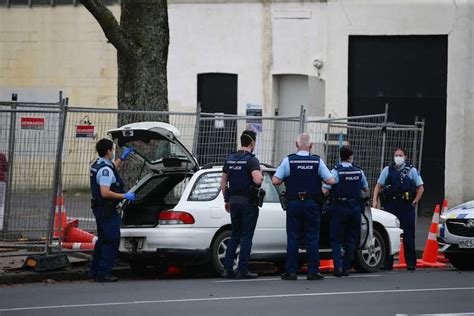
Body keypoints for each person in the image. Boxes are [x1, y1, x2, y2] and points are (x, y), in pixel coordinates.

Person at [272, 133, 335, 281]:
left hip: (294, 203)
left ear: (296, 144)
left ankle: (291, 272)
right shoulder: (317, 161)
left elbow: (275, 180)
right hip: (312, 204)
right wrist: (322, 188)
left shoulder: (289, 160)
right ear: (311, 146)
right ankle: (313, 272)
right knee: (312, 238)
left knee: (293, 237)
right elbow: (331, 180)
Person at [89, 139, 136, 282]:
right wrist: (124, 196)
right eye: (112, 149)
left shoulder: (98, 164)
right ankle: (104, 273)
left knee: (102, 239)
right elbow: (105, 192)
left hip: (100, 208)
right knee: (112, 239)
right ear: (108, 151)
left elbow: (111, 169)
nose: (113, 150)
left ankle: (94, 271)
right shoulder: (104, 170)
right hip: (107, 209)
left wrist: (122, 158)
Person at [220, 130, 263, 279]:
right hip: (248, 203)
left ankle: (227, 269)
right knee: (246, 236)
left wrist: (226, 199)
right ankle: (242, 269)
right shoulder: (252, 160)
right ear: (252, 143)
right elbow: (257, 180)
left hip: (233, 202)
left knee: (235, 235)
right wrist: (261, 175)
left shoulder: (230, 158)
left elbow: (223, 181)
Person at [372, 148, 424, 271]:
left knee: (408, 234)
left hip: (406, 206)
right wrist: (374, 200)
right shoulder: (387, 170)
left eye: (400, 155)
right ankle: (387, 263)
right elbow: (378, 186)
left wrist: (415, 201)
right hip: (390, 205)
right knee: (388, 233)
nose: (398, 157)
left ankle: (411, 263)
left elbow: (420, 188)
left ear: (405, 157)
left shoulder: (411, 170)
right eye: (396, 155)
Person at [322, 146, 369, 277]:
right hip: (355, 208)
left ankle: (338, 268)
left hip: (339, 208)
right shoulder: (359, 171)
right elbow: (365, 189)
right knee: (351, 238)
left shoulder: (336, 171)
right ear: (350, 157)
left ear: (340, 156)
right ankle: (347, 267)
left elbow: (326, 189)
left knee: (336, 239)